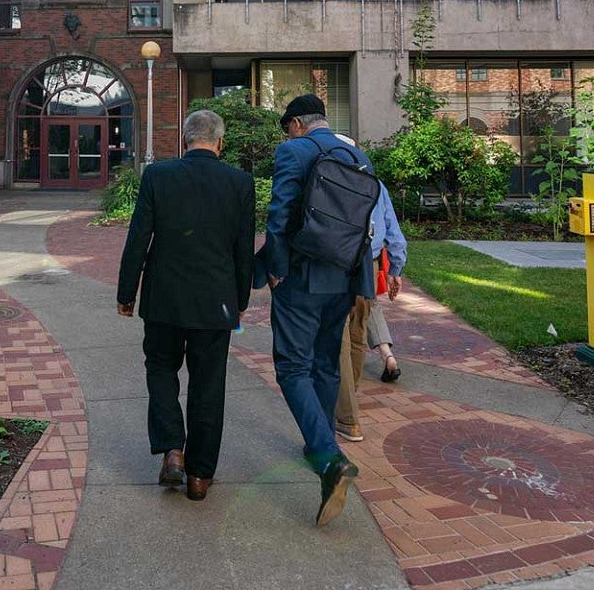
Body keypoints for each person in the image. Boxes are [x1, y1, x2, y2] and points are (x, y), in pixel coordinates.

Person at [256, 94, 406, 526]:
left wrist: (277, 269)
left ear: (299, 123)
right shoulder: (357, 155)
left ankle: (328, 458)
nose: (288, 134)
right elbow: (368, 225)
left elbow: (279, 213)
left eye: (288, 126)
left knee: (291, 365)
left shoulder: (293, 151)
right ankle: (319, 442)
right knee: (326, 362)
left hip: (301, 277)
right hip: (346, 279)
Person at [117, 108, 255, 502]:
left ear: (184, 140)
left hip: (163, 299)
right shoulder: (240, 182)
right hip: (217, 304)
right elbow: (243, 250)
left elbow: (138, 239)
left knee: (160, 368)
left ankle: (172, 449)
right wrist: (240, 300)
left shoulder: (158, 176)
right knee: (209, 384)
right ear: (220, 142)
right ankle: (199, 476)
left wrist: (127, 294)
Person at [334, 251, 406, 443]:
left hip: (337, 262)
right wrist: (396, 268)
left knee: (340, 338)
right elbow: (393, 232)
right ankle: (353, 392)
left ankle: (347, 418)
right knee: (359, 332)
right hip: (368, 264)